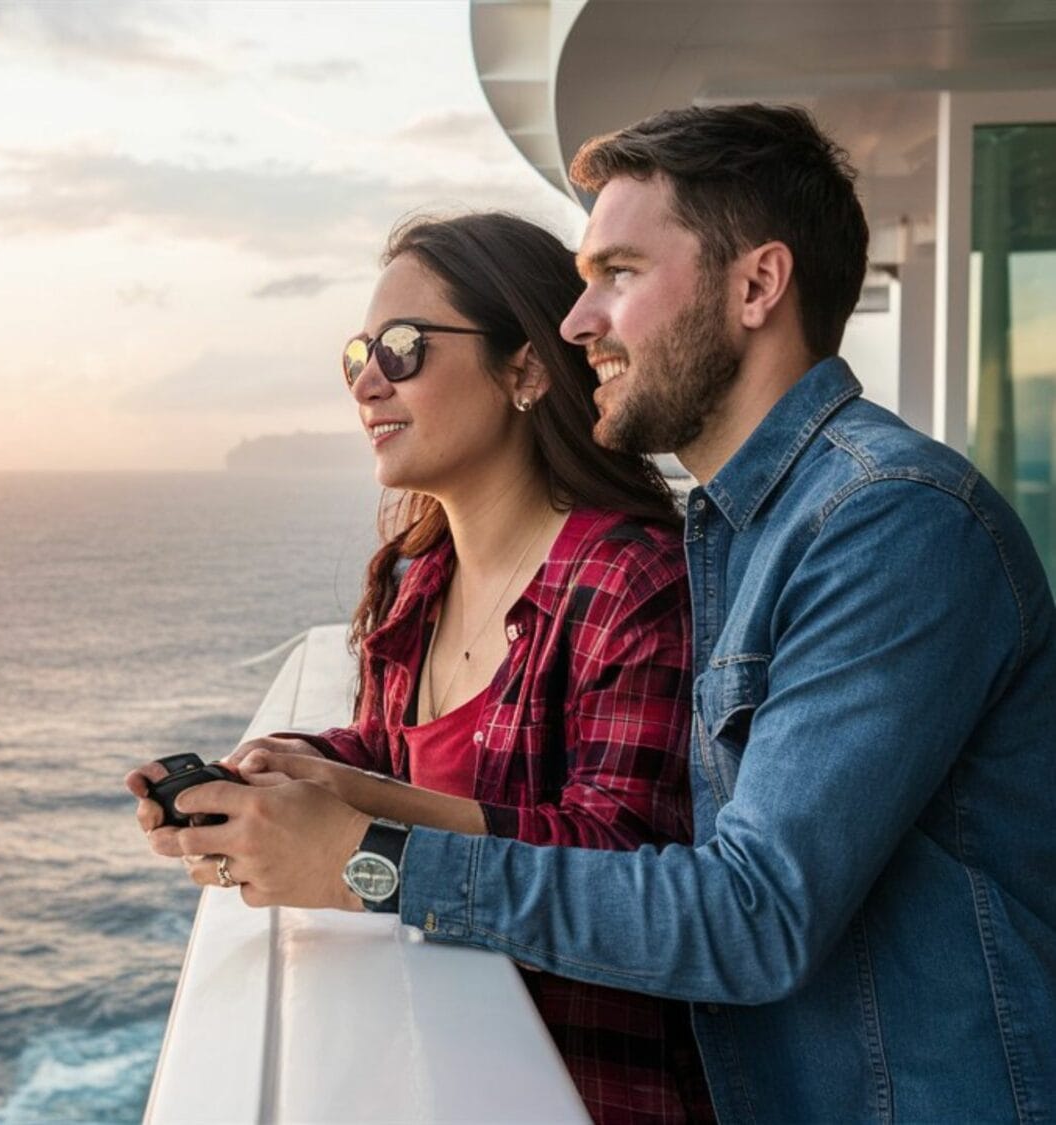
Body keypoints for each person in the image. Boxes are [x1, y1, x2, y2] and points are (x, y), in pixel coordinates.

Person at [139, 104, 1056, 1123]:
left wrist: (367, 858)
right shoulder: (737, 536)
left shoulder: (886, 524)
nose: (578, 324)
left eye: (617, 275)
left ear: (756, 285)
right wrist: (315, 777)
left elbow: (749, 914)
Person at [129, 212, 714, 1122]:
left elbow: (623, 867)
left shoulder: (626, 579)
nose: (367, 380)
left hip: (581, 1089)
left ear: (524, 367)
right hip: (435, 1068)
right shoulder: (424, 579)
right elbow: (401, 748)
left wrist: (350, 833)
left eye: (403, 348)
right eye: (358, 352)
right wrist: (282, 768)